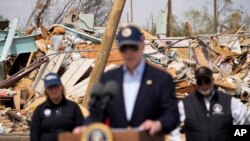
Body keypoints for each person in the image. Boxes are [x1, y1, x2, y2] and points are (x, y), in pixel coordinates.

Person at [74, 25, 179, 135]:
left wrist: (158, 124)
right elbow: (97, 114)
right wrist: (87, 126)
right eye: (124, 48)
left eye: (133, 47)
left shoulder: (161, 79)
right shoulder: (108, 79)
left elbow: (172, 115)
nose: (129, 52)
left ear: (142, 46)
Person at [169, 66, 250, 141]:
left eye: (207, 81)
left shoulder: (228, 101)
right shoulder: (186, 104)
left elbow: (245, 118)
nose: (203, 85)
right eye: (200, 82)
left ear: (212, 80)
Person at [30, 73, 84, 141]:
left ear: (61, 87)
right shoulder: (40, 110)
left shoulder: (73, 107)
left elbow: (82, 128)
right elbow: (34, 134)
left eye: (56, 86)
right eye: (50, 87)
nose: (54, 90)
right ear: (46, 90)